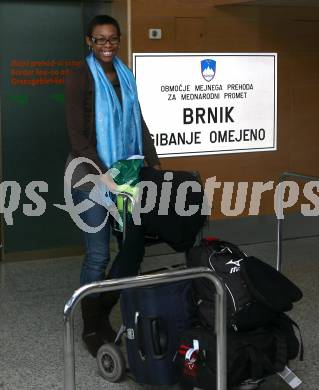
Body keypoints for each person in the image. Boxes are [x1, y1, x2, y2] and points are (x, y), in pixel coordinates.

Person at [64, 14, 160, 357]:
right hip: (90, 179)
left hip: (127, 176)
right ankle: (90, 322)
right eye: (100, 40)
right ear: (89, 42)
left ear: (118, 40)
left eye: (112, 39)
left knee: (132, 248)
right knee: (98, 254)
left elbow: (139, 120)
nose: (107, 45)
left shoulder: (126, 75)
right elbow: (77, 136)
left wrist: (154, 163)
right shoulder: (79, 77)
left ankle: (102, 308)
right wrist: (106, 173)